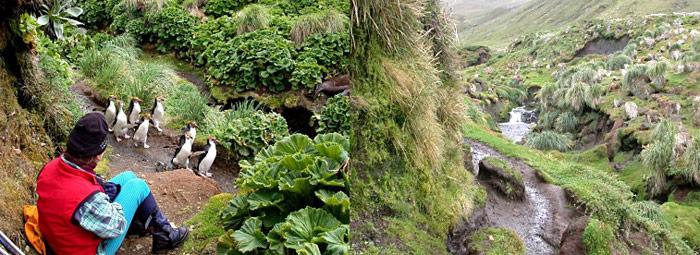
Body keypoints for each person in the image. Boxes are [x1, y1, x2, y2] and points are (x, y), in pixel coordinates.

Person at [36, 112, 189, 255]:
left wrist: (104, 192)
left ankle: (149, 226)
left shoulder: (49, 167)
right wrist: (111, 203)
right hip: (85, 250)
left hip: (59, 236)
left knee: (127, 177)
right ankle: (165, 236)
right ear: (97, 156)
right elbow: (117, 226)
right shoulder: (87, 198)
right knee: (138, 186)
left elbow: (72, 195)